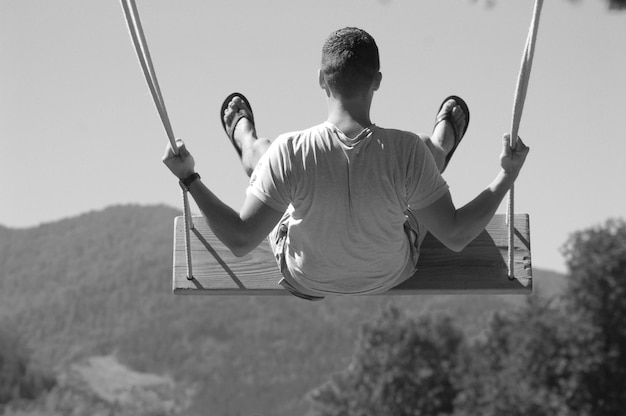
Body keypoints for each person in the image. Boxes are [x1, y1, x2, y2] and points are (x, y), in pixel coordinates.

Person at [162, 27, 529, 301]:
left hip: (305, 277)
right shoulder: (404, 150)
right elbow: (455, 234)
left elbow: (241, 240)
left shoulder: (291, 151)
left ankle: (248, 145)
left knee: (268, 158)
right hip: (389, 273)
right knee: (420, 154)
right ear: (378, 82)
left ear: (322, 81)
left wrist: (189, 177)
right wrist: (506, 174)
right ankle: (441, 145)